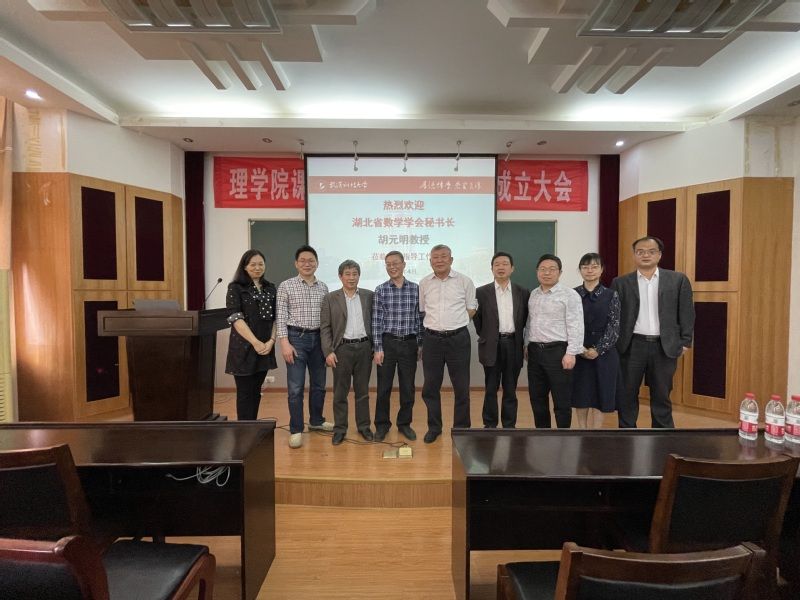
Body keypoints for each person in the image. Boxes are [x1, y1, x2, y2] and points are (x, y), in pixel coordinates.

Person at [612, 236, 695, 428]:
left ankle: (662, 435)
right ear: (634, 255)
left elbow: (687, 312)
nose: (645, 255)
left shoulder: (677, 280)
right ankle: (626, 433)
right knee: (627, 394)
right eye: (640, 252)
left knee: (662, 394)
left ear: (659, 255)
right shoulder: (621, 282)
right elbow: (614, 317)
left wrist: (685, 341)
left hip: (664, 346)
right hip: (631, 346)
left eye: (651, 251)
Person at [419, 244, 477, 443]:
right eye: (435, 257)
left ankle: (461, 429)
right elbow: (424, 310)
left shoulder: (464, 281)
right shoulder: (424, 283)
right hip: (432, 340)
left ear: (451, 260)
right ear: (430, 261)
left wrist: (454, 324)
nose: (440, 260)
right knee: (430, 387)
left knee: (461, 387)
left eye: (444, 256)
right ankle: (434, 428)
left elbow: (471, 308)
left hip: (458, 339)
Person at [276, 245, 333, 448]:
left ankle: (316, 421)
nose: (307, 264)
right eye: (303, 260)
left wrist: (328, 344)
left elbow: (327, 319)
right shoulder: (286, 286)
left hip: (318, 340)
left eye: (311, 261)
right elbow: (281, 317)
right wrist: (284, 343)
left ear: (317, 263)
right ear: (296, 263)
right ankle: (296, 429)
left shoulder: (324, 287)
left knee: (319, 385)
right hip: (296, 339)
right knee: (295, 388)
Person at [525, 253, 584, 429]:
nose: (547, 273)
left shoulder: (570, 295)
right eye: (543, 269)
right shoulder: (534, 294)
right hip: (535, 352)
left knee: (561, 400)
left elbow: (576, 325)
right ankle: (543, 435)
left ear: (560, 272)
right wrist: (527, 344)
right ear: (537, 272)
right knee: (537, 398)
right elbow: (530, 322)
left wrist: (571, 353)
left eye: (552, 269)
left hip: (558, 352)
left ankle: (563, 437)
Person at [320, 259, 374, 445]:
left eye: (355, 274)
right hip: (341, 349)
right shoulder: (330, 298)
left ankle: (364, 427)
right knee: (340, 393)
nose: (351, 278)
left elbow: (375, 322)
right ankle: (340, 429)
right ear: (340, 276)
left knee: (363, 392)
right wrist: (328, 351)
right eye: (348, 274)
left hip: (364, 348)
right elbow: (325, 327)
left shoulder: (369, 296)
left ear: (359, 276)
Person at [473, 252, 529, 428]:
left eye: (505, 264)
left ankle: (509, 426)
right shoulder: (481, 292)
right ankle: (490, 425)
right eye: (497, 264)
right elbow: (478, 321)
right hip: (491, 345)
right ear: (491, 269)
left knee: (510, 389)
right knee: (490, 388)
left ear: (512, 268)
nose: (501, 267)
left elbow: (525, 319)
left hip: (513, 344)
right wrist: (489, 336)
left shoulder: (522, 292)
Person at [372, 251, 422, 442]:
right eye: (388, 264)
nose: (392, 267)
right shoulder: (381, 290)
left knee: (408, 387)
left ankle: (404, 423)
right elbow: (376, 321)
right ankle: (382, 425)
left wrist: (420, 344)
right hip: (388, 343)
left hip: (409, 343)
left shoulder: (416, 289)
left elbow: (419, 319)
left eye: (395, 263)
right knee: (383, 388)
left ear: (404, 264)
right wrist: (378, 348)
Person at [224, 249, 277, 420]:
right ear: (245, 266)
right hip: (244, 348)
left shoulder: (270, 288)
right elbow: (236, 318)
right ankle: (244, 429)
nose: (257, 267)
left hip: (265, 347)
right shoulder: (235, 288)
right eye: (253, 264)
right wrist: (255, 342)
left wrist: (271, 341)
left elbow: (277, 318)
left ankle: (252, 426)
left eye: (261, 264)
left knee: (256, 391)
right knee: (245, 393)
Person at [571, 253, 620, 429]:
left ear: (601, 270)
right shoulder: (572, 294)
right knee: (581, 393)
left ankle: (596, 432)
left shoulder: (611, 295)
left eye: (594, 267)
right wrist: (581, 349)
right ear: (580, 270)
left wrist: (597, 350)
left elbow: (614, 326)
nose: (589, 270)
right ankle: (582, 430)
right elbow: (568, 324)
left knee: (601, 393)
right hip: (578, 351)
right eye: (585, 267)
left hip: (604, 353)